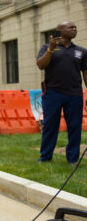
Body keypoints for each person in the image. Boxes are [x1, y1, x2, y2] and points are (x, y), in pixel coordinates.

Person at [36, 21, 87, 165]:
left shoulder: (81, 51)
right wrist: (51, 49)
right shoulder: (47, 47)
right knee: (50, 126)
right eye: (71, 27)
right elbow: (41, 65)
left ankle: (72, 159)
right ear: (60, 30)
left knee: (75, 127)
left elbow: (85, 73)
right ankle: (45, 157)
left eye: (75, 27)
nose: (74, 29)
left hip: (74, 94)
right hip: (53, 93)